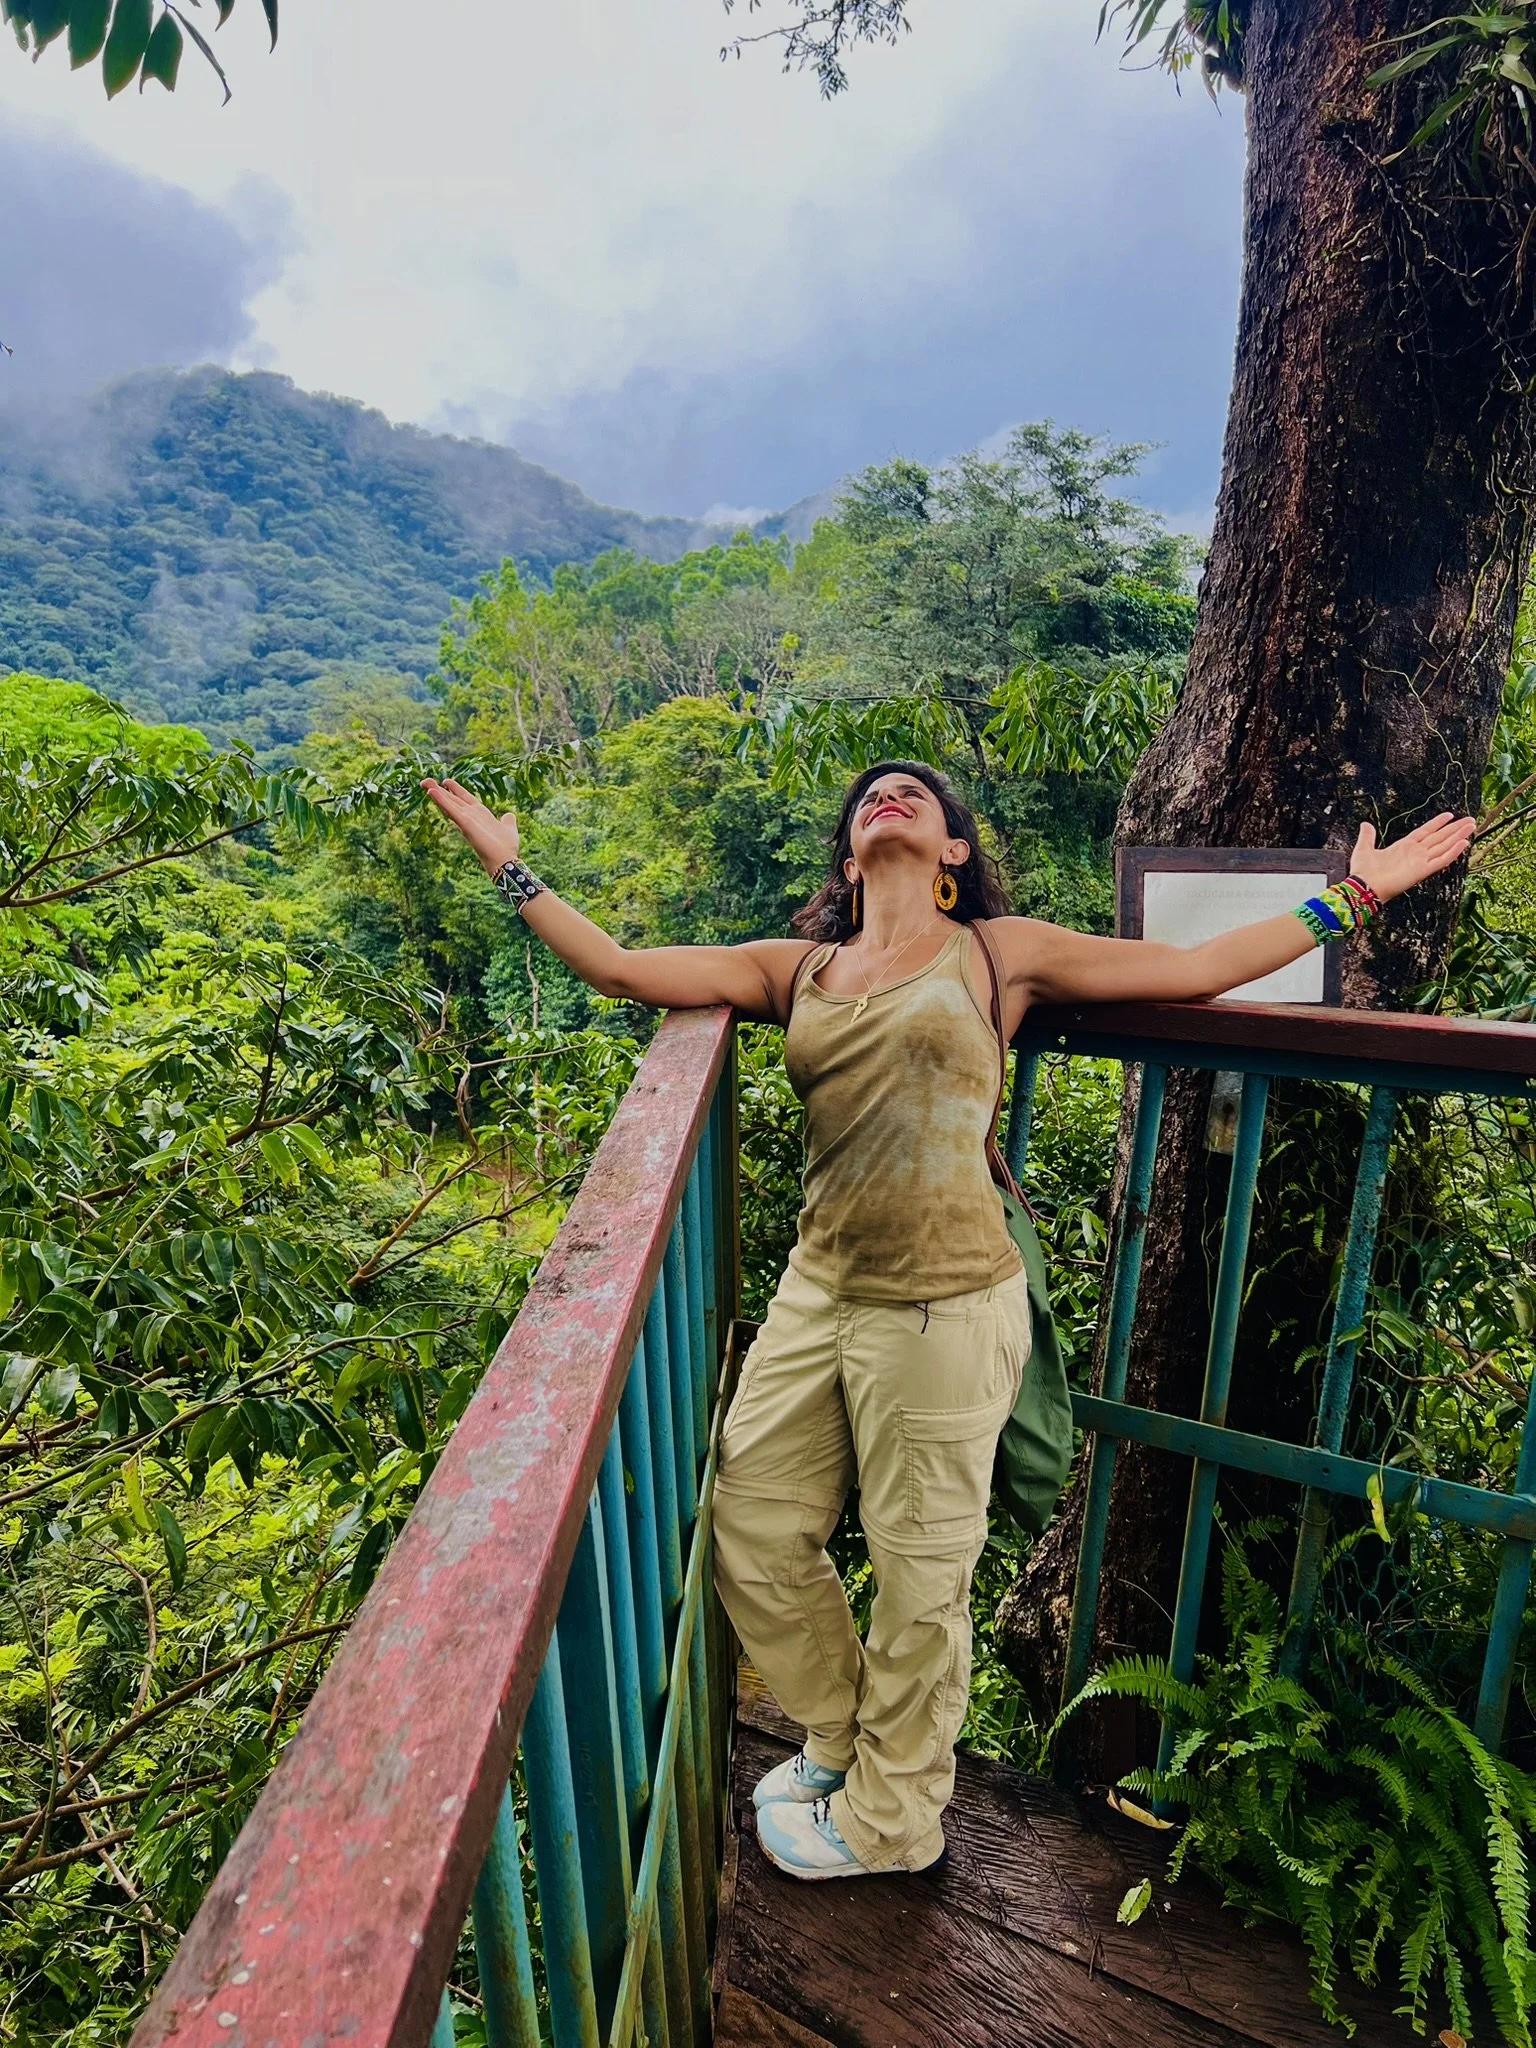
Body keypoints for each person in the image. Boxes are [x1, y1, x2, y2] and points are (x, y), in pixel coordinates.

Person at [424, 760, 1474, 1882]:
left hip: (945, 1305)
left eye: (914, 793)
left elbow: (1193, 965)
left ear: (953, 852)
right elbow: (624, 967)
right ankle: (843, 1736)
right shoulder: (801, 969)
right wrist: (506, 857)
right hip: (817, 1292)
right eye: (869, 794)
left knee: (922, 1581)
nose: (889, 796)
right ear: (846, 855)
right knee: (752, 1525)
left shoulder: (995, 953)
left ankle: (894, 1823)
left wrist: (1353, 896)